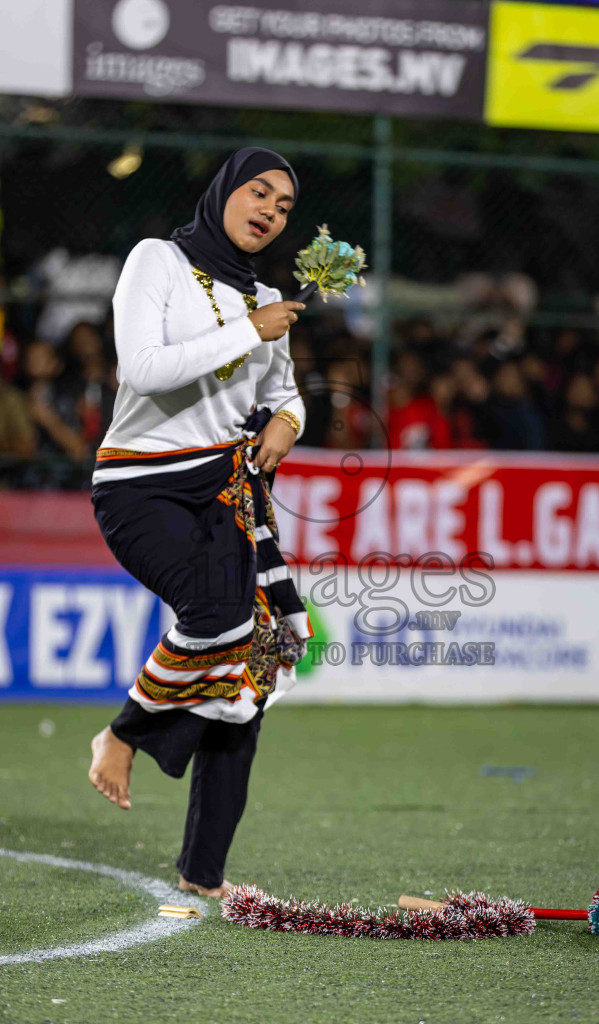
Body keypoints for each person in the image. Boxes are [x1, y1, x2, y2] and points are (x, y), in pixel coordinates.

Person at [87, 148, 311, 898]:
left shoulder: (269, 294)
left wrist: (288, 420)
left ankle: (203, 874)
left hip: (225, 485)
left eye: (282, 207)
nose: (269, 211)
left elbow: (286, 392)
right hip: (140, 484)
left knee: (247, 674)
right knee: (216, 614)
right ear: (223, 191)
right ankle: (121, 735)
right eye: (259, 192)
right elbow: (142, 368)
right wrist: (251, 327)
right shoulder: (156, 260)